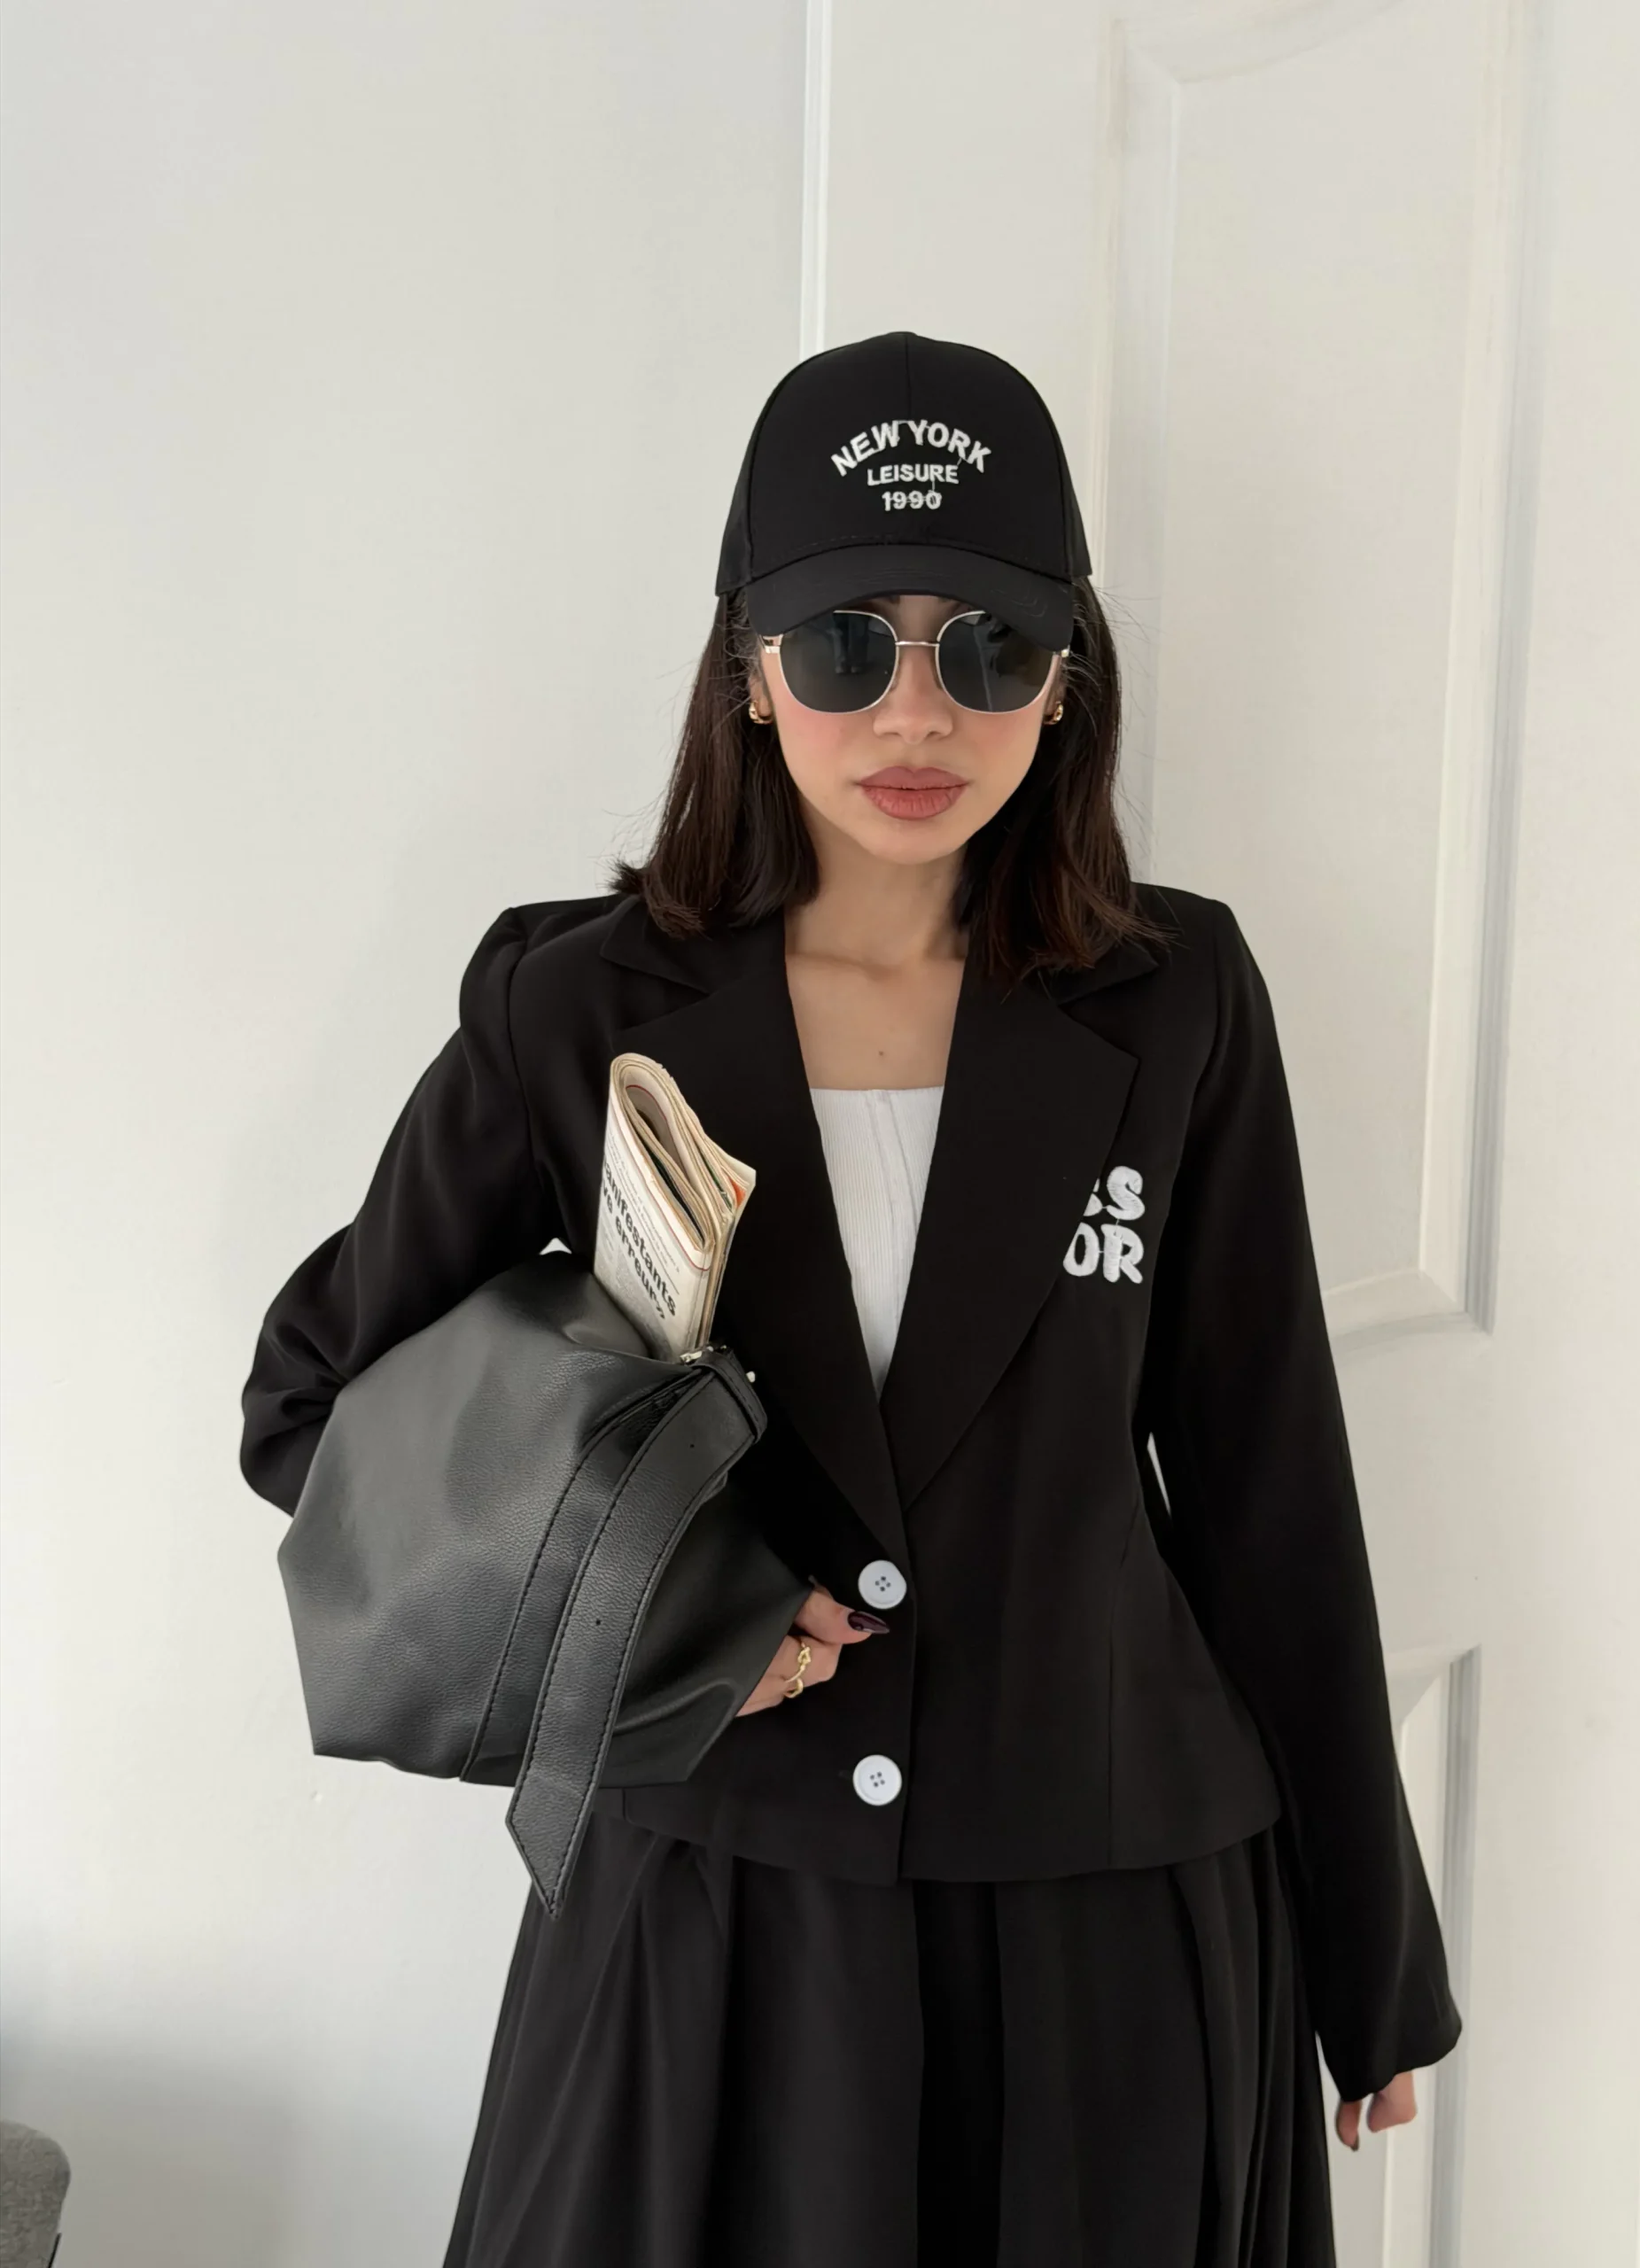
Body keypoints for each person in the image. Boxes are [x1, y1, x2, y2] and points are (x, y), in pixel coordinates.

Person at [239, 330, 1463, 2267]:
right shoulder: (575, 1007)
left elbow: (1268, 1485)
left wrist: (1373, 1949)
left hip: (1113, 1916)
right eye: (843, 646)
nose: (917, 710)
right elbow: (316, 1411)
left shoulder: (1178, 1000)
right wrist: (678, 1611)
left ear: (1065, 678)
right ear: (746, 668)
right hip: (711, 1918)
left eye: (989, 646)